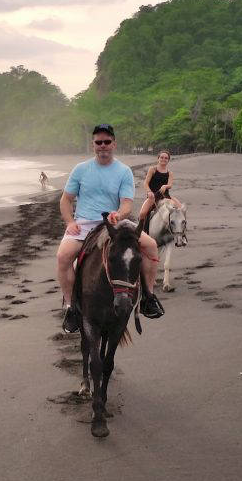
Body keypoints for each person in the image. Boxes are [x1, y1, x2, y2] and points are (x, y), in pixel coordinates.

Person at [57, 124, 164, 334]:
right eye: (99, 142)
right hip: (85, 223)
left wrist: (119, 214)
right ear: (93, 145)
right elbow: (66, 199)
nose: (103, 146)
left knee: (151, 246)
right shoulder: (80, 169)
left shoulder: (123, 171)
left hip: (114, 223)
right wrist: (70, 222)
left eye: (107, 142)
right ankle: (71, 307)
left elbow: (126, 203)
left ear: (114, 144)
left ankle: (148, 298)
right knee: (62, 256)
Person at [137, 150, 184, 224]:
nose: (163, 159)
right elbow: (146, 183)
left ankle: (181, 231)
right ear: (158, 158)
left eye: (166, 158)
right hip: (153, 196)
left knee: (181, 208)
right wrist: (149, 191)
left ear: (168, 160)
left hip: (165, 196)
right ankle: (141, 231)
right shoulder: (152, 169)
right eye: (161, 157)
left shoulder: (170, 173)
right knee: (142, 213)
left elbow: (170, 185)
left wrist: (165, 186)